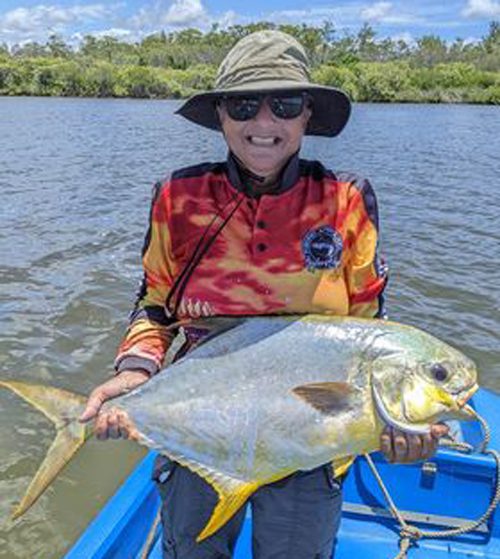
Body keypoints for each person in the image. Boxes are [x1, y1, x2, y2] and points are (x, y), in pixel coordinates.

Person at [79, 30, 448, 559]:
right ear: (222, 116)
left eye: (286, 105)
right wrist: (135, 370)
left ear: (306, 117)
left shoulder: (345, 199)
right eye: (245, 104)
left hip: (308, 435)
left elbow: (370, 332)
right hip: (205, 415)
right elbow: (156, 306)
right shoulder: (177, 198)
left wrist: (395, 423)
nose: (264, 123)